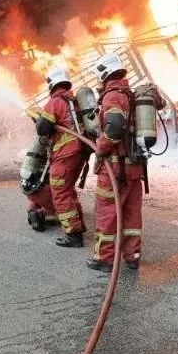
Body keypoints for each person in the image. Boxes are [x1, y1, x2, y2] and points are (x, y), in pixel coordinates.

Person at [87, 52, 144, 272]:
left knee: (108, 213)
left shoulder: (112, 96)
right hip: (134, 168)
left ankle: (105, 259)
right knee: (131, 214)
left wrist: (100, 147)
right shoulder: (130, 94)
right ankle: (132, 256)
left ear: (103, 73)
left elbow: (115, 126)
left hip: (115, 169)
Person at [36, 66, 88, 247]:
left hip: (65, 154)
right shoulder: (74, 100)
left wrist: (40, 117)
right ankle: (78, 222)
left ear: (51, 83)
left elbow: (42, 129)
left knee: (59, 193)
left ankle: (74, 234)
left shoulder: (56, 102)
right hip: (80, 153)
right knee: (68, 188)